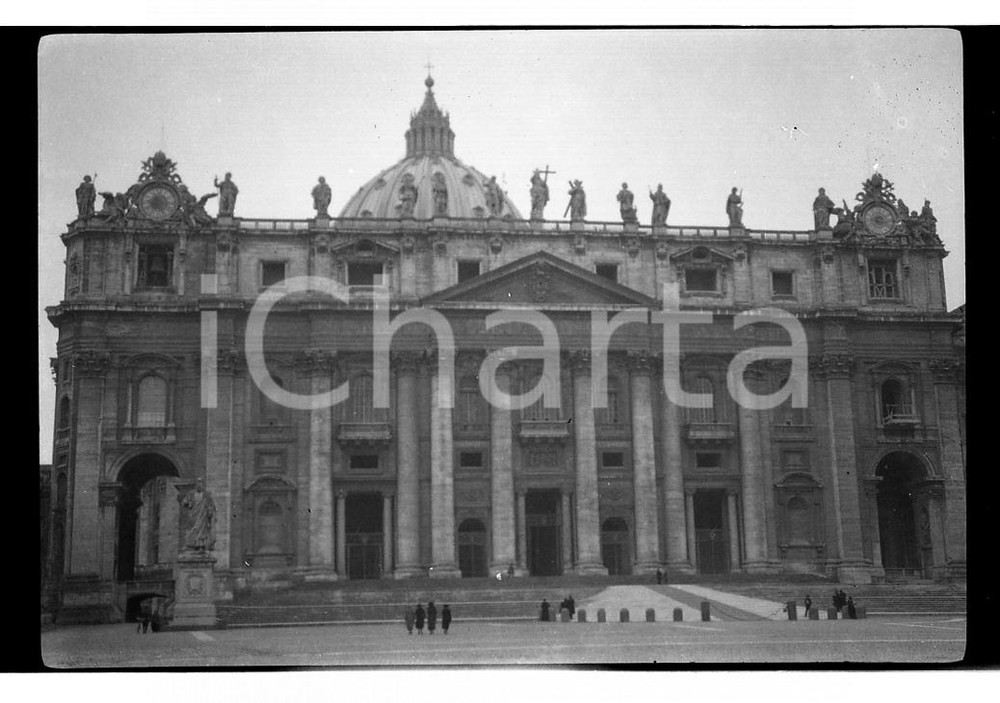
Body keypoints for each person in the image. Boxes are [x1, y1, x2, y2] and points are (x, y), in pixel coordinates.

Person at [182, 483, 216, 552]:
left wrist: (210, 511)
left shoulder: (206, 495)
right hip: (194, 516)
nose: (199, 486)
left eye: (201, 485)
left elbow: (211, 505)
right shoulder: (191, 494)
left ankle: (201, 546)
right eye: (198, 485)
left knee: (202, 531)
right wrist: (188, 503)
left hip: (203, 517)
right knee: (193, 530)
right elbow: (184, 502)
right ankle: (191, 545)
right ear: (196, 486)